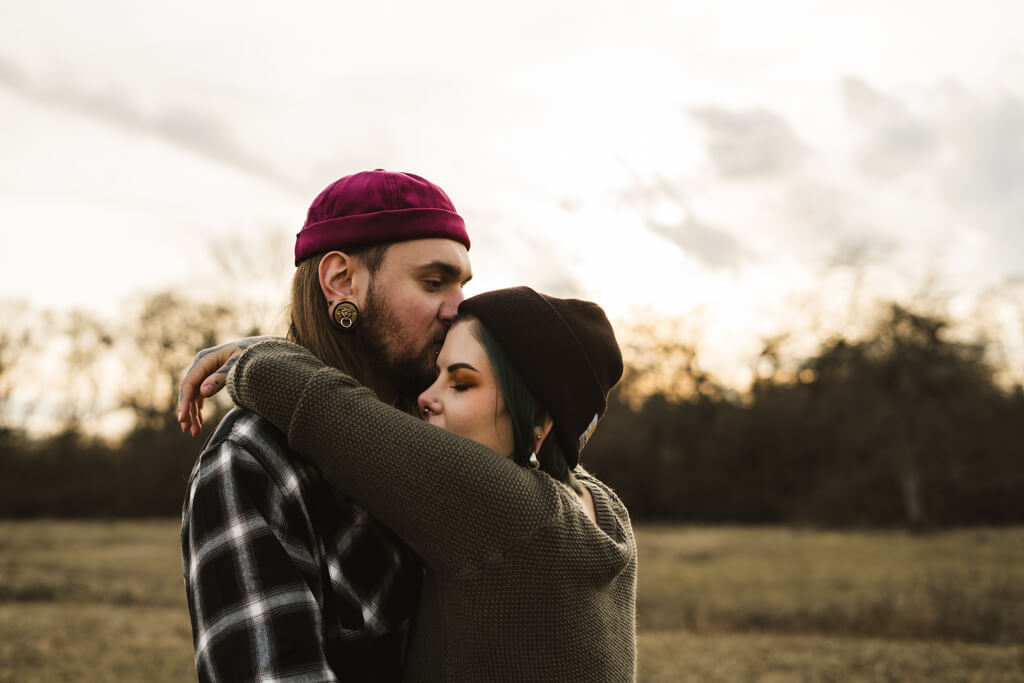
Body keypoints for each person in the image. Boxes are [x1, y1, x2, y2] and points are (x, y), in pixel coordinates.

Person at [180, 286, 638, 681]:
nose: (425, 397)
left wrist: (253, 358)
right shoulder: (602, 510)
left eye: (460, 383)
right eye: (435, 373)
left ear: (540, 421)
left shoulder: (509, 511)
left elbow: (332, 414)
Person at [179, 169, 473, 681]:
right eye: (433, 282)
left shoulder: (448, 424)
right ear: (341, 281)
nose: (459, 309)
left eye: (462, 285)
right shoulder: (253, 461)